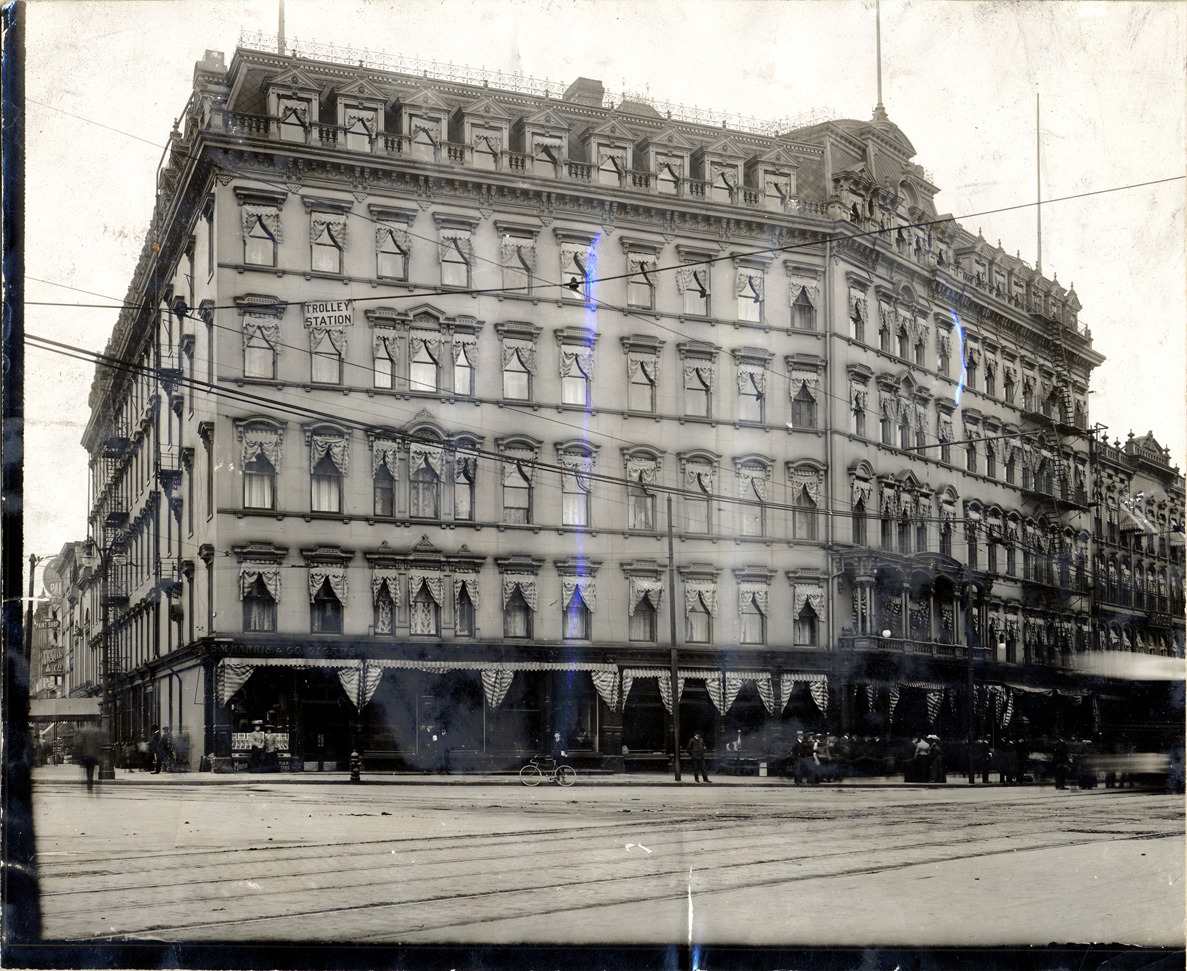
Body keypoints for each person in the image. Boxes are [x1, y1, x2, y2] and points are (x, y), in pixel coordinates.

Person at [75, 725, 103, 791]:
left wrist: (81, 755)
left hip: (86, 755)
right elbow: (98, 744)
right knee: (91, 770)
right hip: (92, 755)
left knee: (88, 770)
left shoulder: (83, 734)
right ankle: (90, 782)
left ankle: (89, 782)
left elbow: (79, 745)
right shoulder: (95, 734)